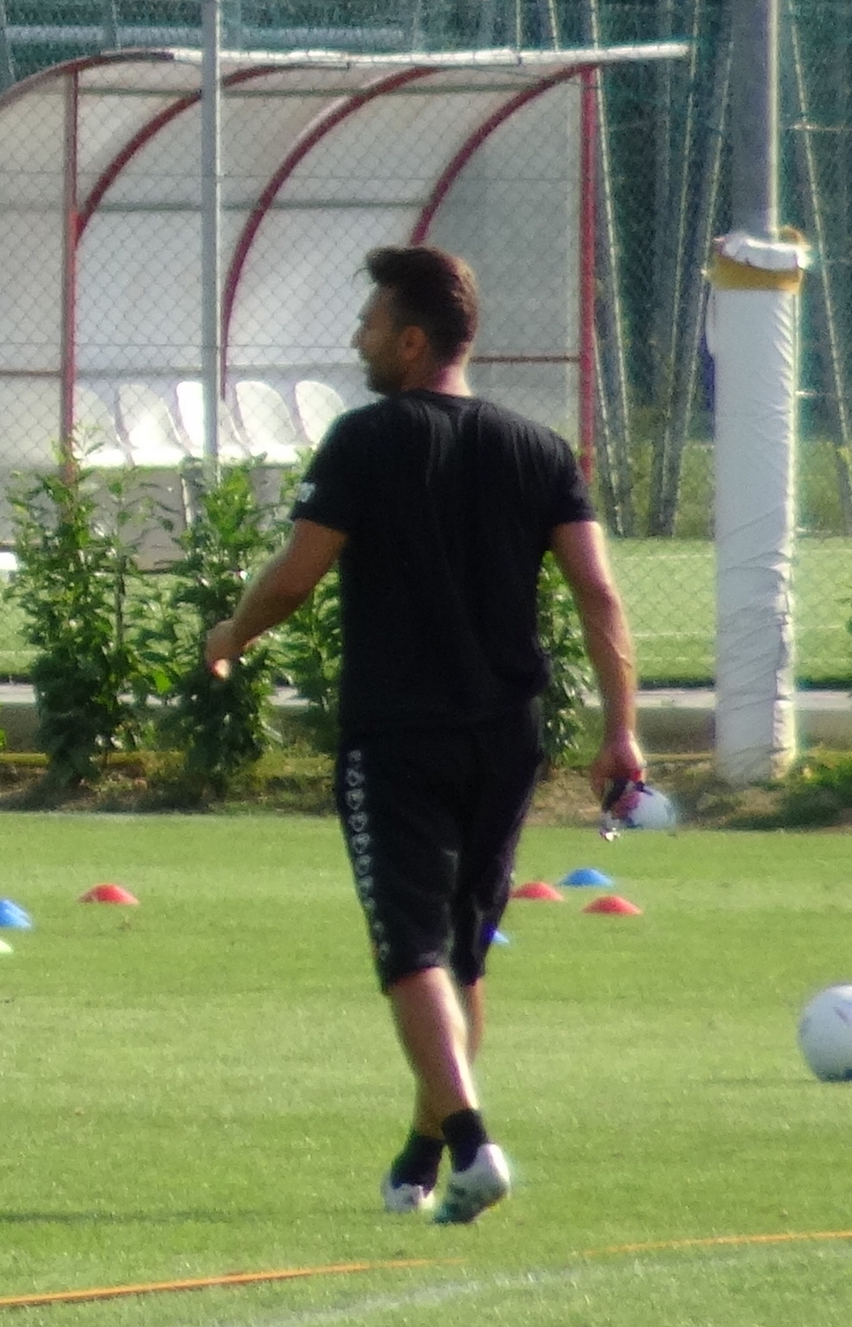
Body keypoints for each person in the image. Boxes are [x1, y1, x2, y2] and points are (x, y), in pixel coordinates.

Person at [202, 246, 642, 1225]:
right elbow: (600, 593)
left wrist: (231, 632)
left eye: (369, 323)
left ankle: (475, 1144)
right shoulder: (540, 450)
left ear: (411, 342)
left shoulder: (366, 440)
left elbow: (294, 575)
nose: (356, 336)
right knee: (462, 958)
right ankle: (422, 1154)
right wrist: (622, 731)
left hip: (398, 738)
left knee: (411, 952)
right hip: (507, 741)